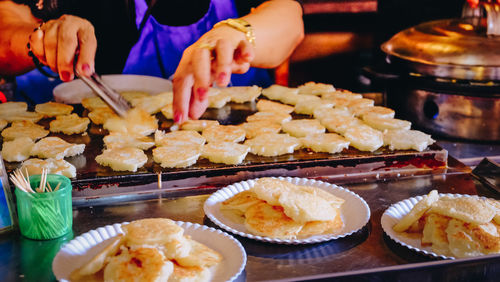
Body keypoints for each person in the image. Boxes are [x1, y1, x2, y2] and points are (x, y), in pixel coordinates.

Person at [0, 0, 304, 123]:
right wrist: (39, 37)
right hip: (63, 168)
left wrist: (236, 33)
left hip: (232, 148)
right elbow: (6, 23)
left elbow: (289, 18)